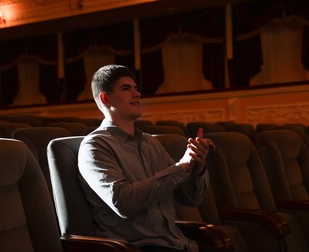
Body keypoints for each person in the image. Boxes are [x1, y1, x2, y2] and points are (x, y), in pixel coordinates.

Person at [78, 64, 214, 252]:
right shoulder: (94, 146)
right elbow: (123, 203)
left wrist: (197, 166)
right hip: (137, 247)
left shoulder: (151, 143)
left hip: (177, 242)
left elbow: (190, 199)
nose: (137, 94)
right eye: (126, 88)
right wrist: (181, 166)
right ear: (105, 98)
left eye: (136, 88)